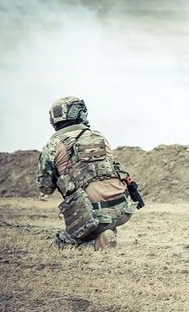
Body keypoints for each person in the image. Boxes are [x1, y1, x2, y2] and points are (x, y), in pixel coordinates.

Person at [37, 96, 140, 250]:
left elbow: (45, 188)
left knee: (61, 244)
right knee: (101, 223)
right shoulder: (99, 137)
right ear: (79, 113)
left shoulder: (53, 146)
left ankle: (97, 243)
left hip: (91, 214)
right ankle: (106, 231)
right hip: (124, 209)